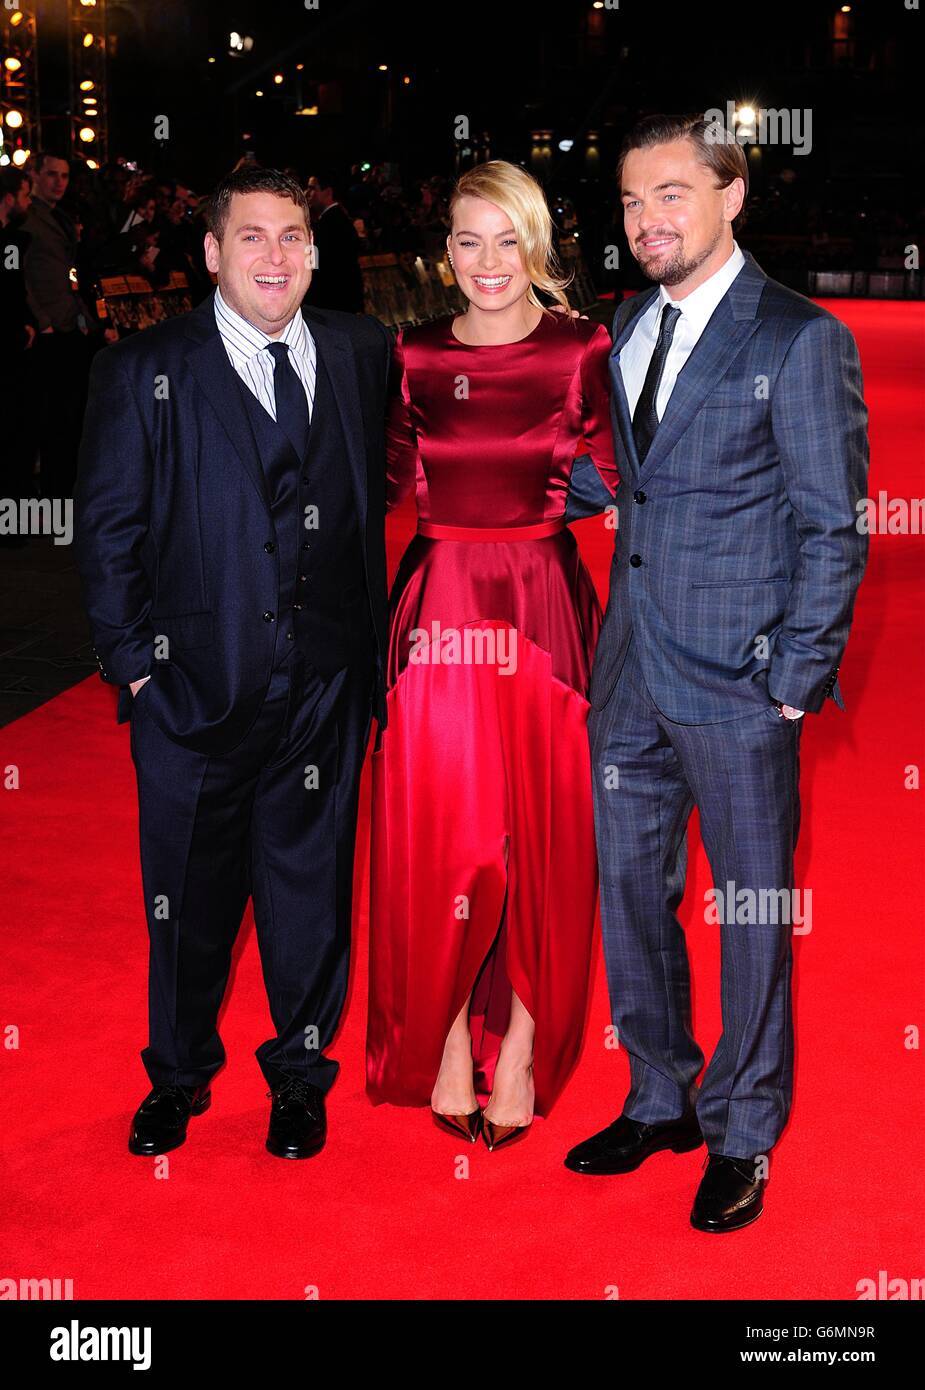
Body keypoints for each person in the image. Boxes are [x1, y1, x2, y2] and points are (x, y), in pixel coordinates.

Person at [563, 114, 869, 1230]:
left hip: (741, 684)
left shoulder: (798, 338)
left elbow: (833, 525)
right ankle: (658, 1096)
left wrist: (793, 674)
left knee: (747, 909)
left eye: (673, 196)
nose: (648, 220)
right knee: (632, 894)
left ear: (731, 196)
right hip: (631, 667)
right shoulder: (626, 321)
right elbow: (631, 486)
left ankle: (743, 1128)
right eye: (633, 202)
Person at [75, 167, 391, 1161]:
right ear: (211, 253)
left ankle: (299, 1076)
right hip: (191, 687)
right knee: (187, 896)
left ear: (314, 248)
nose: (274, 256)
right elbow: (110, 530)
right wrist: (134, 667)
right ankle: (176, 1073)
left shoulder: (357, 349)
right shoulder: (143, 369)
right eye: (249, 236)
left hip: (325, 682)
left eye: (292, 235)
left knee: (310, 894)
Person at [365, 160, 618, 1150]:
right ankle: (443, 1046)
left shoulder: (578, 348)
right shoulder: (414, 355)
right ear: (445, 253)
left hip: (545, 609)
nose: (487, 262)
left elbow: (631, 482)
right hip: (439, 610)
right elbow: (367, 486)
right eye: (468, 240)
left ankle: (517, 1040)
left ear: (536, 245)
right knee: (447, 839)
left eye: (506, 239)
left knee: (541, 837)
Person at [22, 152, 99, 499]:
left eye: (64, 176)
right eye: (52, 174)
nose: (59, 182)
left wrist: (82, 317)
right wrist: (42, 321)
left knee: (68, 416)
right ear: (34, 175)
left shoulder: (61, 217)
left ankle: (62, 490)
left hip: (70, 326)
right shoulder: (26, 218)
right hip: (46, 330)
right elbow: (22, 277)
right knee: (43, 417)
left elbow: (71, 271)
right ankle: (45, 496)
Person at [304, 169, 364, 313]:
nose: (307, 193)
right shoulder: (335, 221)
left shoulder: (331, 225)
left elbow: (316, 266)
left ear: (328, 192)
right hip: (340, 306)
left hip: (333, 307)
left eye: (313, 188)